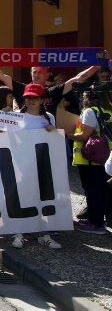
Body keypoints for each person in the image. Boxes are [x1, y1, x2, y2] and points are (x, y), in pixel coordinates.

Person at [9, 83, 62, 249]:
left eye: (35, 98)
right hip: (20, 164)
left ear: (42, 100)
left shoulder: (49, 118)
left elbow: (54, 141)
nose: (31, 101)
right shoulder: (15, 116)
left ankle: (43, 233)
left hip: (41, 165)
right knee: (21, 197)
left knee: (42, 197)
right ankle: (18, 232)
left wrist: (53, 131)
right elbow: (5, 140)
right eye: (28, 97)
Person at [67, 89, 112, 234]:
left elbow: (84, 135)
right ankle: (98, 219)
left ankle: (96, 223)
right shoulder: (108, 110)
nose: (82, 98)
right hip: (104, 156)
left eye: (83, 96)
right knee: (101, 189)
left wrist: (68, 134)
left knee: (93, 190)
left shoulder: (90, 111)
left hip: (91, 158)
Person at [0, 65, 98, 115]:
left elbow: (78, 78)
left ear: (47, 75)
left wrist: (97, 66)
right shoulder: (22, 89)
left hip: (48, 135)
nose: (36, 75)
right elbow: (2, 76)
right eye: (34, 72)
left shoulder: (54, 91)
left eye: (40, 72)